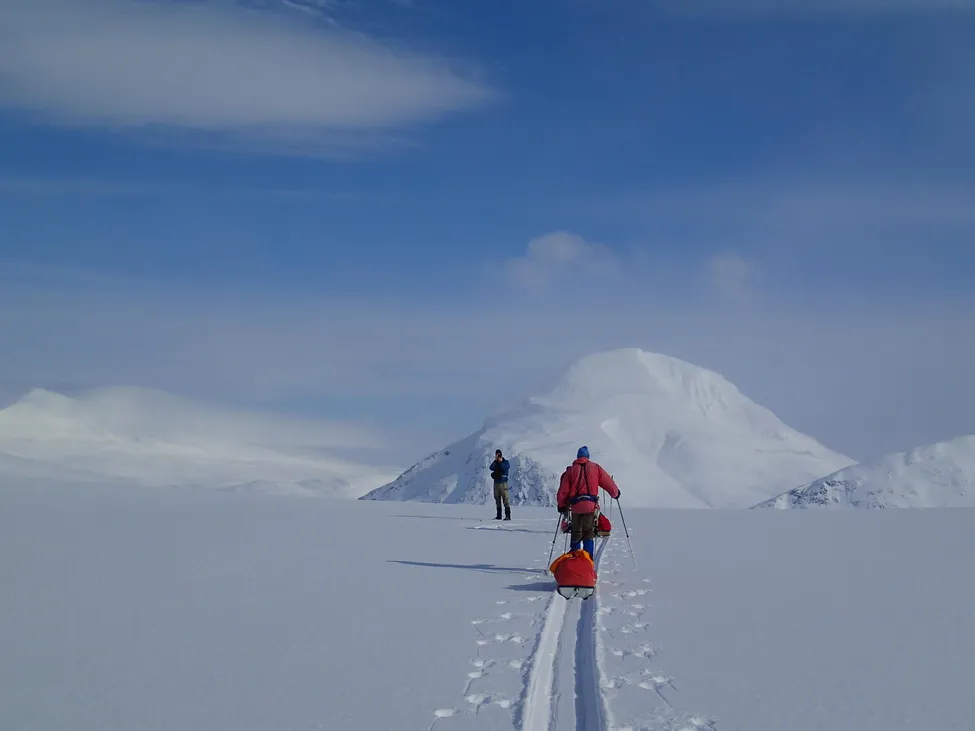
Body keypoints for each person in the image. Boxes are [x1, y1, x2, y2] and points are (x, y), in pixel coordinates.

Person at [556, 446, 620, 560]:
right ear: (588, 457)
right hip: (590, 506)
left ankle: (575, 558)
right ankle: (588, 559)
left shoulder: (570, 471)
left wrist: (561, 506)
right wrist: (615, 493)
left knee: (576, 533)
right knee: (588, 532)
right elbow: (608, 482)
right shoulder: (595, 468)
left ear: (577, 457)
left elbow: (563, 491)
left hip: (575, 506)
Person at [490, 449, 511, 520]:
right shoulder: (495, 462)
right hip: (496, 483)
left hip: (503, 483)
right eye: (496, 455)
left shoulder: (505, 462)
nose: (498, 456)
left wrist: (501, 462)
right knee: (497, 499)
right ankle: (499, 515)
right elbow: (491, 468)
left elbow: (505, 469)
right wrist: (495, 461)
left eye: (499, 455)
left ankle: (508, 515)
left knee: (505, 499)